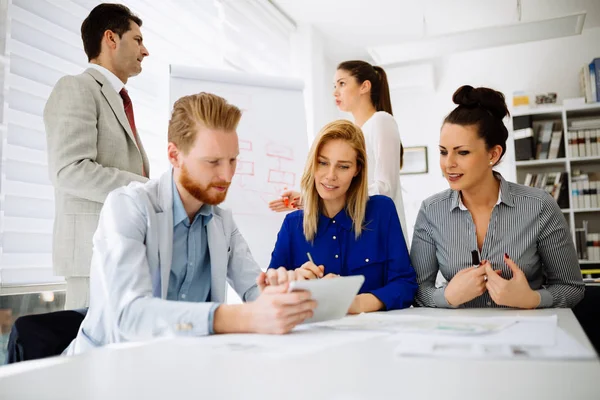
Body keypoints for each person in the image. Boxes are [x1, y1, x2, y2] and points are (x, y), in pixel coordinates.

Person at [64, 93, 317, 355]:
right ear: (175, 155)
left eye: (233, 160)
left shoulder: (222, 222)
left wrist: (285, 291)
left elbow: (255, 289)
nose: (227, 175)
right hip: (104, 369)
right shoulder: (128, 206)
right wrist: (238, 317)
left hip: (181, 366)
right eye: (213, 162)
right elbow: (129, 315)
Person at [410, 85, 584, 309]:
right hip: (459, 337)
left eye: (462, 152)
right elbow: (414, 290)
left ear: (493, 154)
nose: (448, 163)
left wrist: (532, 299)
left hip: (525, 334)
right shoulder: (431, 210)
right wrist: (447, 296)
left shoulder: (539, 206)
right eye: (443, 151)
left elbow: (571, 287)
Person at [44, 3, 151, 309]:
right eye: (138, 40)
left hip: (124, 254)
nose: (145, 51)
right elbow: (70, 170)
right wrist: (147, 190)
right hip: (92, 259)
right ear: (111, 39)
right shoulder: (76, 88)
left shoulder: (118, 99)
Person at [266, 120, 417, 313]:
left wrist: (354, 303)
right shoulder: (292, 225)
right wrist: (296, 282)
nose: (330, 175)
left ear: (357, 170)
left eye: (343, 167)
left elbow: (405, 285)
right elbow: (270, 293)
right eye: (323, 163)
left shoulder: (381, 211)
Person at [269, 61, 408, 244]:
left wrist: (321, 199)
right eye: (334, 86)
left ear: (364, 86)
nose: (335, 92)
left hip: (381, 233)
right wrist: (310, 198)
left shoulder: (381, 121)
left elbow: (385, 189)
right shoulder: (352, 134)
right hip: (356, 230)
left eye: (342, 84)